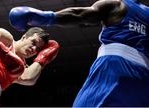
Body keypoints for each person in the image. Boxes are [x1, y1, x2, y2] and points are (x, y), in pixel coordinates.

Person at [8, 0, 149, 107]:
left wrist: (45, 17)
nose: (34, 49)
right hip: (144, 82)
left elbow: (80, 14)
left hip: (114, 68)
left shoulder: (118, 5)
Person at [0, 24, 60, 107]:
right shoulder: (8, 40)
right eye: (33, 42)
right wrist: (3, 52)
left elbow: (29, 78)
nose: (34, 49)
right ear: (24, 37)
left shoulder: (20, 67)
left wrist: (43, 58)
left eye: (38, 49)